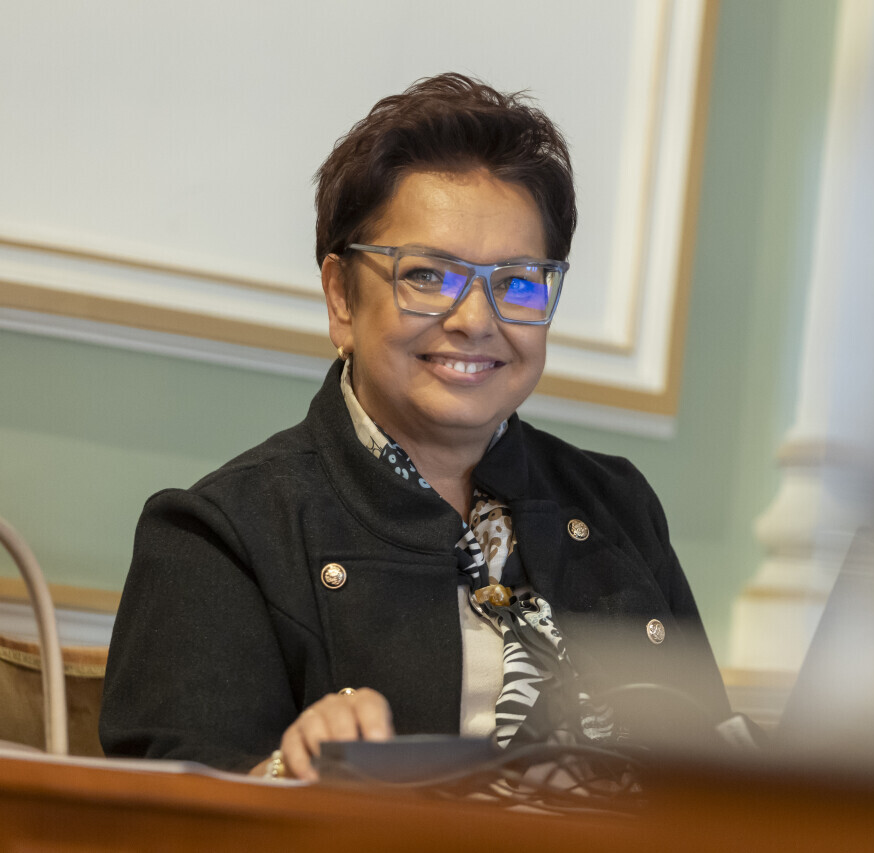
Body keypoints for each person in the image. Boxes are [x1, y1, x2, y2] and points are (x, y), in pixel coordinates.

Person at [99, 73, 729, 780]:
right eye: (428, 276)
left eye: (518, 282)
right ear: (341, 297)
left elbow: (718, 781)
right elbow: (162, 814)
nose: (476, 320)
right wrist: (288, 771)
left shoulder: (618, 507)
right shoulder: (219, 535)